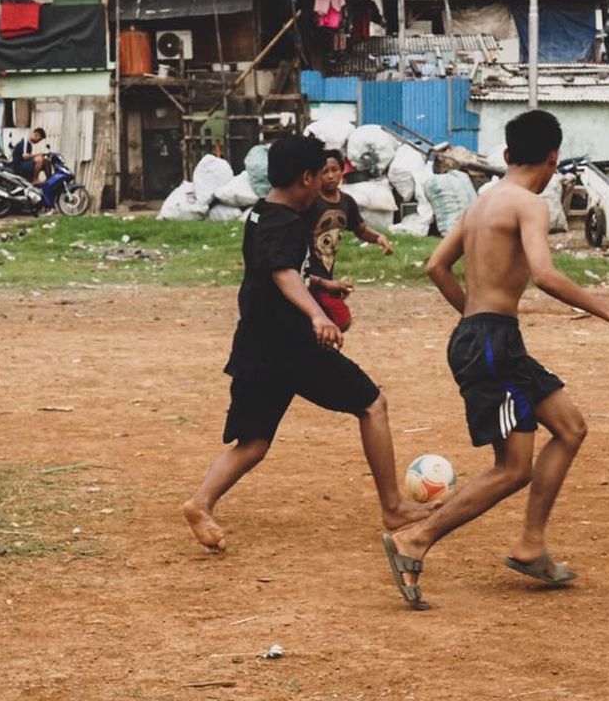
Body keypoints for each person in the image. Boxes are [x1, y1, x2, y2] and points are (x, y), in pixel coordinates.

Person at [381, 110, 609, 608]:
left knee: (570, 427)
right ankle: (414, 540)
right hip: (491, 342)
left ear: (506, 156)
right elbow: (545, 275)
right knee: (512, 468)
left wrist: (473, 316)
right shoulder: (529, 204)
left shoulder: (482, 203)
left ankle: (530, 545)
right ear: (553, 159)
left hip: (490, 338)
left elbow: (437, 266)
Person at [182, 135, 432, 553]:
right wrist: (317, 314)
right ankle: (393, 507)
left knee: (254, 443)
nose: (324, 184)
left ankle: (200, 503)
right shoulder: (287, 224)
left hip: (256, 347)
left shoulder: (261, 215)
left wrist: (322, 284)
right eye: (320, 175)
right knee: (372, 404)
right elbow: (282, 272)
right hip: (291, 346)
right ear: (306, 177)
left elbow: (284, 270)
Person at [302, 149, 394, 331]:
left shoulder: (347, 202)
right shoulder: (309, 201)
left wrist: (378, 237)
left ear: (342, 171)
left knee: (325, 319)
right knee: (340, 319)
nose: (330, 176)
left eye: (334, 170)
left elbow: (359, 228)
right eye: (325, 171)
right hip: (308, 273)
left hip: (326, 272)